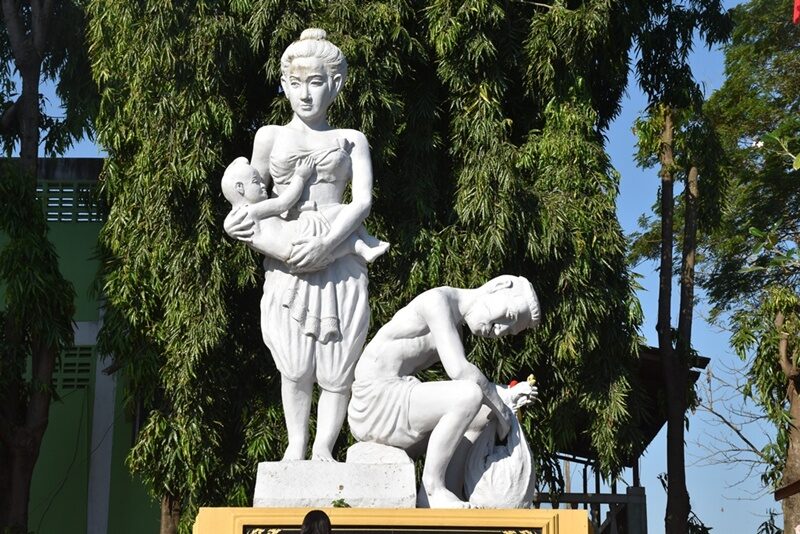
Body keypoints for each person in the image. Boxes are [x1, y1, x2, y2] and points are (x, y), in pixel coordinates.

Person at [224, 28, 387, 461]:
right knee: (294, 364)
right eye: (295, 83)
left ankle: (323, 450)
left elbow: (363, 202)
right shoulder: (270, 137)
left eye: (315, 82)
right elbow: (252, 194)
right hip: (289, 258)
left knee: (338, 363)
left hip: (339, 257)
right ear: (284, 84)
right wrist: (242, 222)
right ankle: (295, 445)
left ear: (335, 83)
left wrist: (328, 245)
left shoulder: (352, 139)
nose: (305, 94)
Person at [347, 275, 541, 508]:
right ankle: (433, 487)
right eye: (509, 317)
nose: (500, 332)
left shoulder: (454, 326)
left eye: (509, 332)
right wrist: (502, 407)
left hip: (397, 396)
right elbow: (460, 371)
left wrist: (508, 394)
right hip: (376, 400)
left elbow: (470, 388)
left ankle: (449, 489)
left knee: (481, 411)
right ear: (499, 286)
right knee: (470, 396)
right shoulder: (437, 302)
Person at [221, 157, 387, 265]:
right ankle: (367, 240)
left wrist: (227, 227)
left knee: (346, 246)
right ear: (240, 188)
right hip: (299, 235)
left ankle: (361, 248)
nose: (263, 184)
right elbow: (283, 203)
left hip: (292, 259)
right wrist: (300, 176)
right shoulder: (250, 212)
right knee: (343, 211)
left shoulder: (236, 220)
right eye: (256, 181)